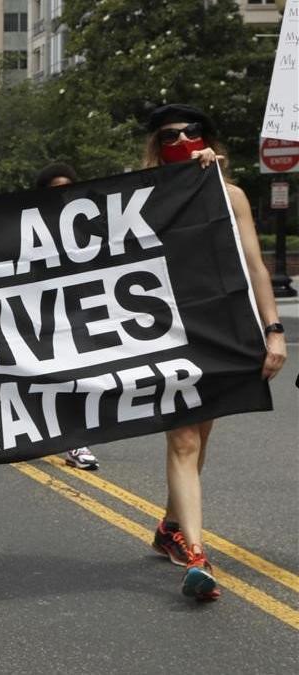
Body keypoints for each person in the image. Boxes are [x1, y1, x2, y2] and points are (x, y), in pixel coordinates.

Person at [143, 104, 286, 601]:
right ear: (156, 148)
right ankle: (198, 557)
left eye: (192, 132)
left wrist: (274, 330)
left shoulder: (231, 196)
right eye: (169, 136)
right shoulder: (141, 197)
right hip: (164, 335)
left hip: (222, 330)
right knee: (183, 440)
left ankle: (170, 527)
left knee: (200, 437)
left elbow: (255, 265)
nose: (181, 140)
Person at [32, 162, 99, 471]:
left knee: (78, 376)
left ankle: (75, 441)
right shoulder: (26, 226)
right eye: (55, 191)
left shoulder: (88, 225)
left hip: (76, 312)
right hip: (37, 314)